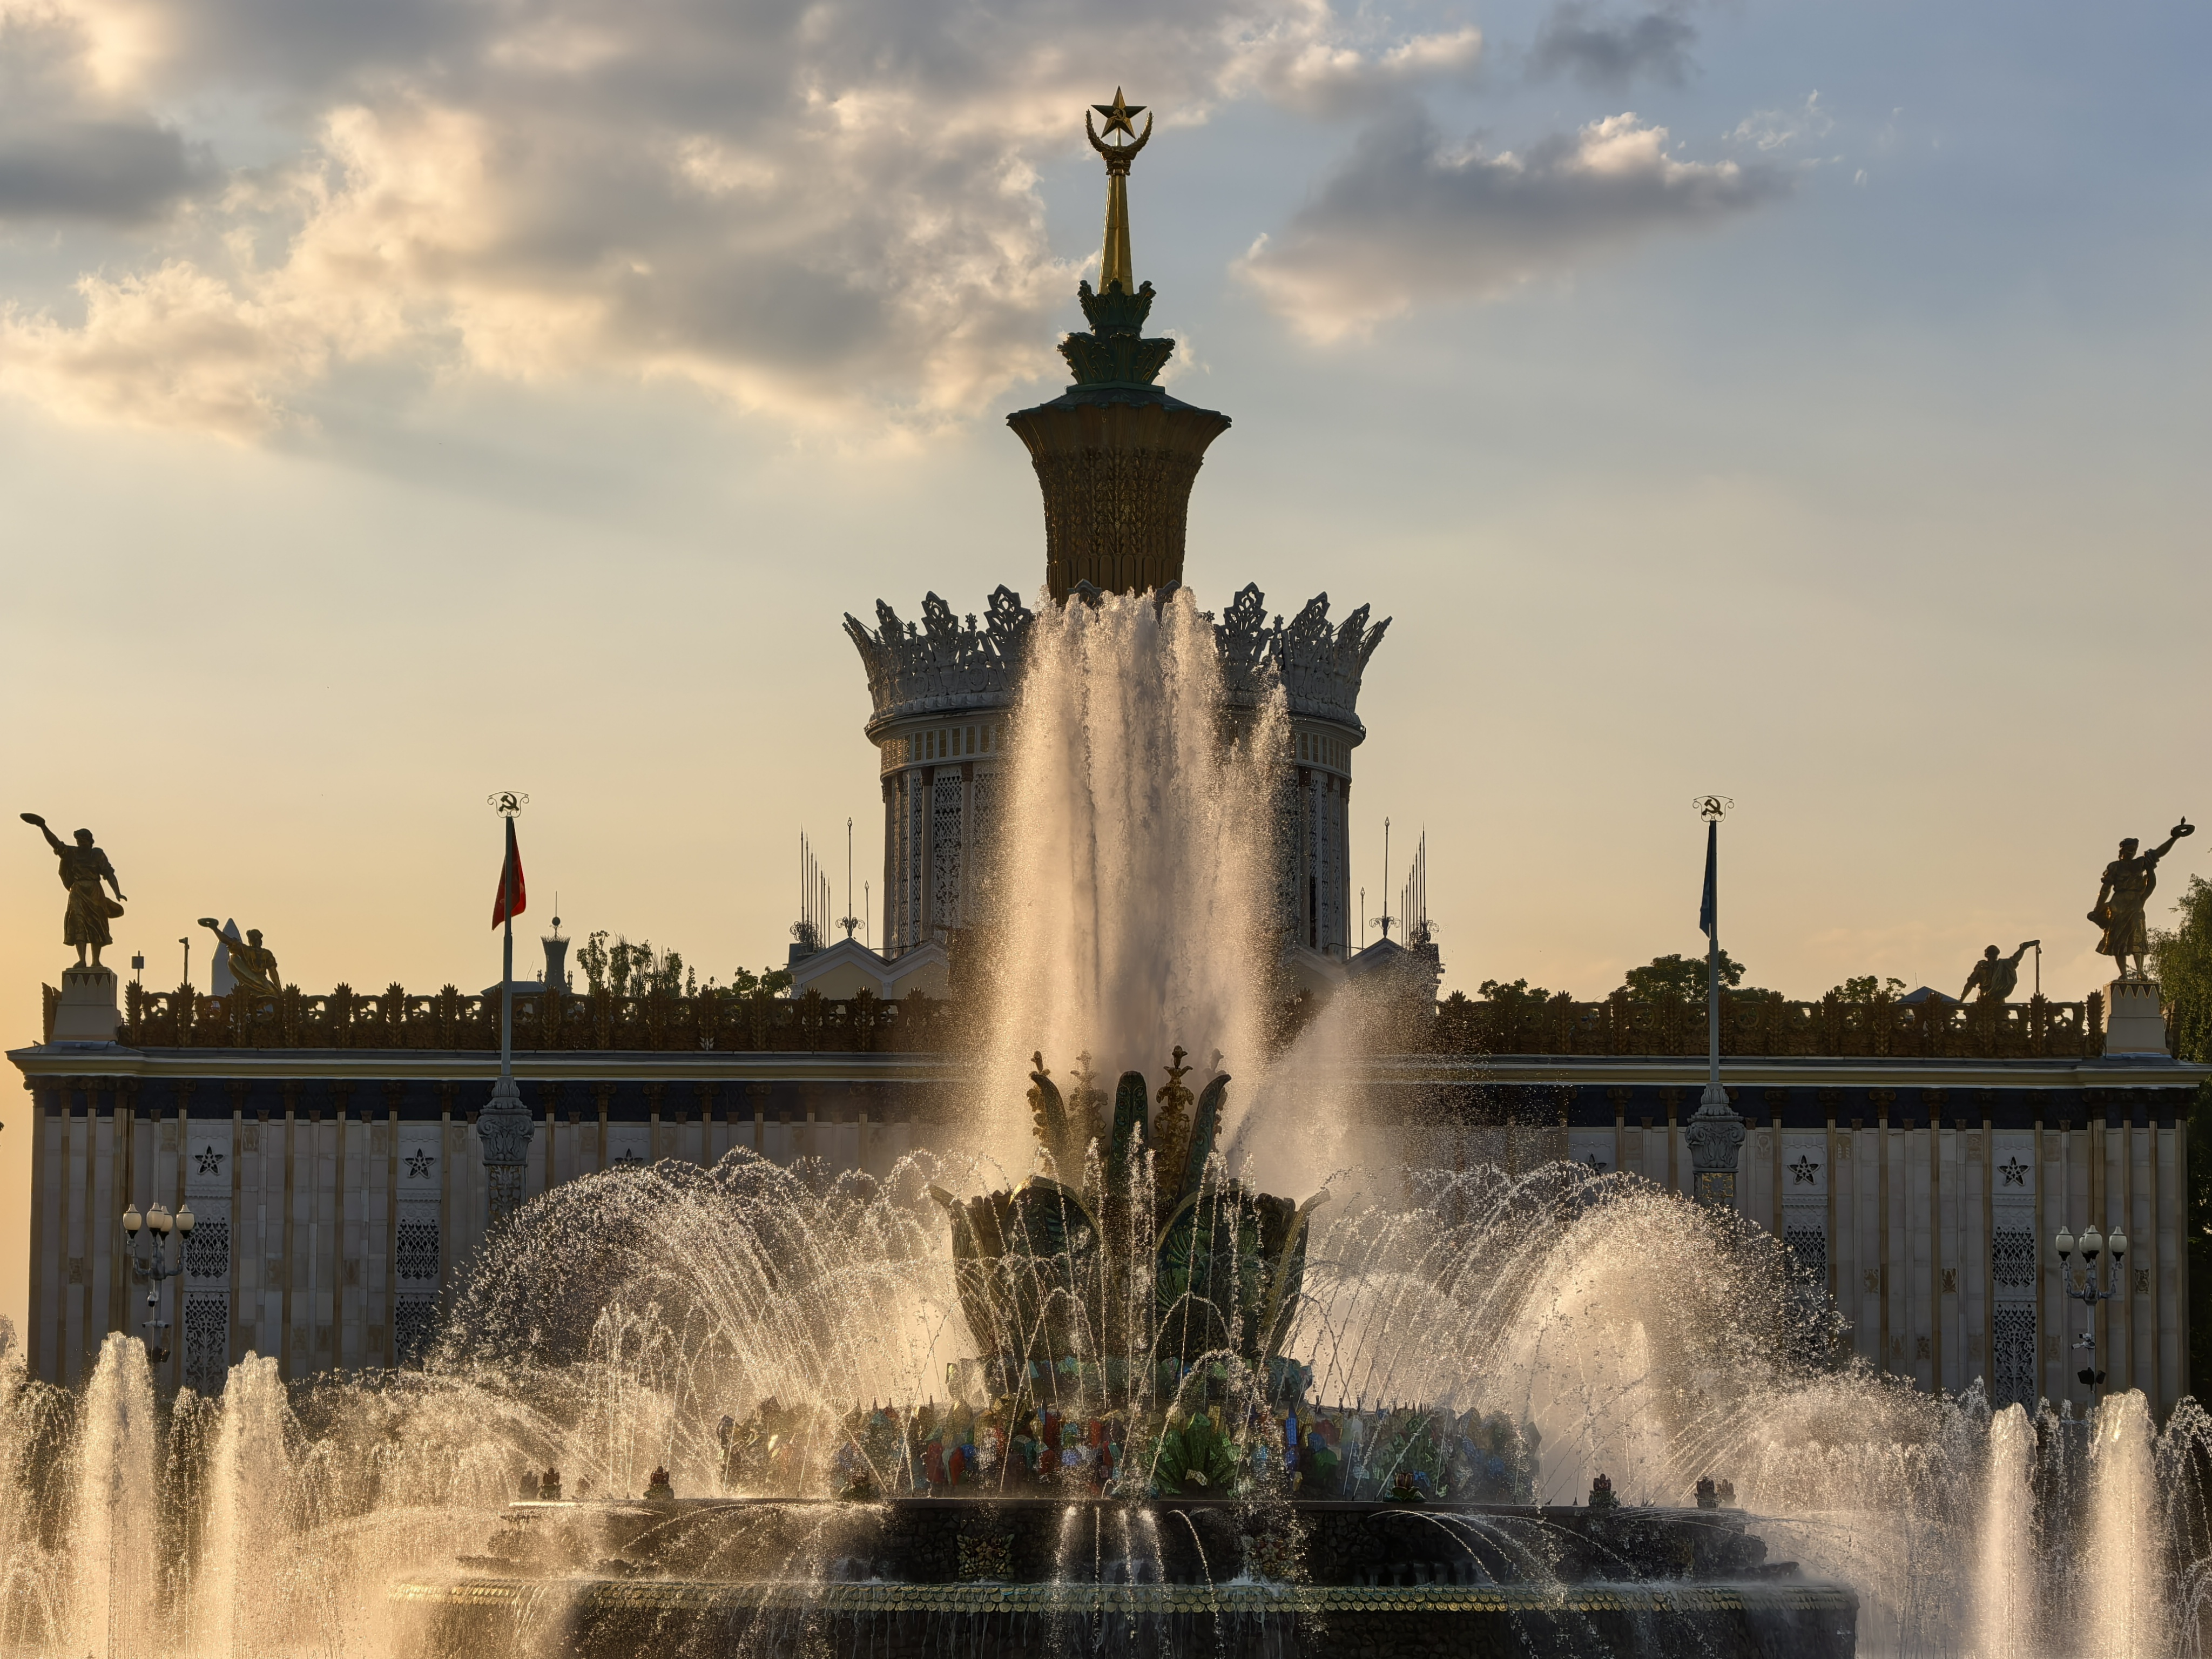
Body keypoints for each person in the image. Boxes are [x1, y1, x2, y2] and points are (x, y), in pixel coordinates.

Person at [2092, 821, 2195, 980]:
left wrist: (2174, 838)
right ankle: (2124, 974)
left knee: (2137, 935)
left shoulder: (2140, 863)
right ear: (2122, 850)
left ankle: (2140, 972)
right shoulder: (2115, 867)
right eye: (2130, 850)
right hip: (2118, 904)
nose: (2133, 852)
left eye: (2134, 850)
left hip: (2135, 904)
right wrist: (2098, 908)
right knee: (2118, 939)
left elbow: (2159, 853)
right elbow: (2105, 889)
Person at [21, 814, 126, 968]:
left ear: (90, 841)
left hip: (94, 892)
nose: (81, 843)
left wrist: (117, 892)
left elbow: (109, 873)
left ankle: (96, 961)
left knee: (97, 923)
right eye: (79, 841)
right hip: (77, 892)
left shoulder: (97, 854)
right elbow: (56, 844)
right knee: (78, 922)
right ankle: (82, 959)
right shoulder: (72, 853)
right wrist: (43, 826)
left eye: (84, 840)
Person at [1960, 941, 2040, 1004]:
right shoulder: (1982, 967)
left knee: (2001, 1016)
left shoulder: (2002, 965)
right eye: (1991, 955)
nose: (1992, 957)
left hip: (1998, 999)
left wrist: (2023, 948)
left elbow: (2015, 959)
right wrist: (1961, 1001)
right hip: (1984, 1000)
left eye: (1994, 955)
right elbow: (1970, 984)